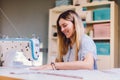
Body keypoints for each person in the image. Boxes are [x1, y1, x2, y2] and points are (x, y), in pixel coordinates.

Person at [31, 10, 97, 70]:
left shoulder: (86, 41)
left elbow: (88, 65)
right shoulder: (66, 44)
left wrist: (54, 65)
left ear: (75, 24)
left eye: (65, 25)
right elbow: (59, 64)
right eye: (60, 27)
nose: (62, 30)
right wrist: (43, 67)